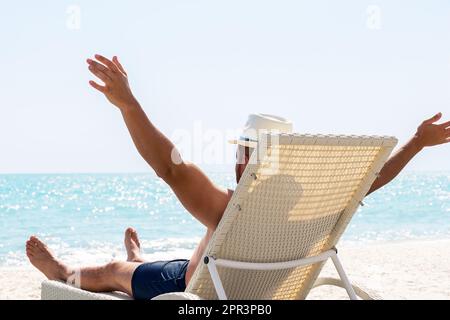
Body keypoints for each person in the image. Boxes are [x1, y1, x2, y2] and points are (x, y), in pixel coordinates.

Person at [26, 54, 450, 300]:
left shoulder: (229, 206)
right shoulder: (317, 202)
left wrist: (129, 105)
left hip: (197, 288)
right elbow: (373, 178)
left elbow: (170, 168)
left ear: (250, 157)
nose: (236, 158)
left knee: (116, 271)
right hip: (237, 278)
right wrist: (415, 141)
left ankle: (64, 271)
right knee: (153, 262)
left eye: (242, 150)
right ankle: (140, 257)